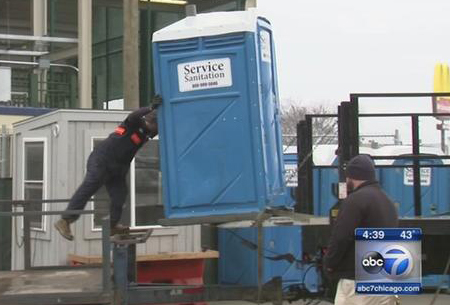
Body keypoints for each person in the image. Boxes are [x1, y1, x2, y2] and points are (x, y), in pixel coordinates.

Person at [55, 106, 158, 240]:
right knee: (90, 186)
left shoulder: (147, 133)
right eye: (156, 127)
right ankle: (65, 220)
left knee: (120, 196)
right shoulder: (133, 124)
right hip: (102, 160)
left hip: (118, 168)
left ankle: (112, 226)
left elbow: (164, 126)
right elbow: (133, 115)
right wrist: (150, 107)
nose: (156, 131)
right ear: (150, 122)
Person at [323, 154, 399, 305]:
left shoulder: (355, 200)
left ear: (352, 176)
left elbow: (341, 237)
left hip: (357, 280)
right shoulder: (388, 201)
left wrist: (329, 263)